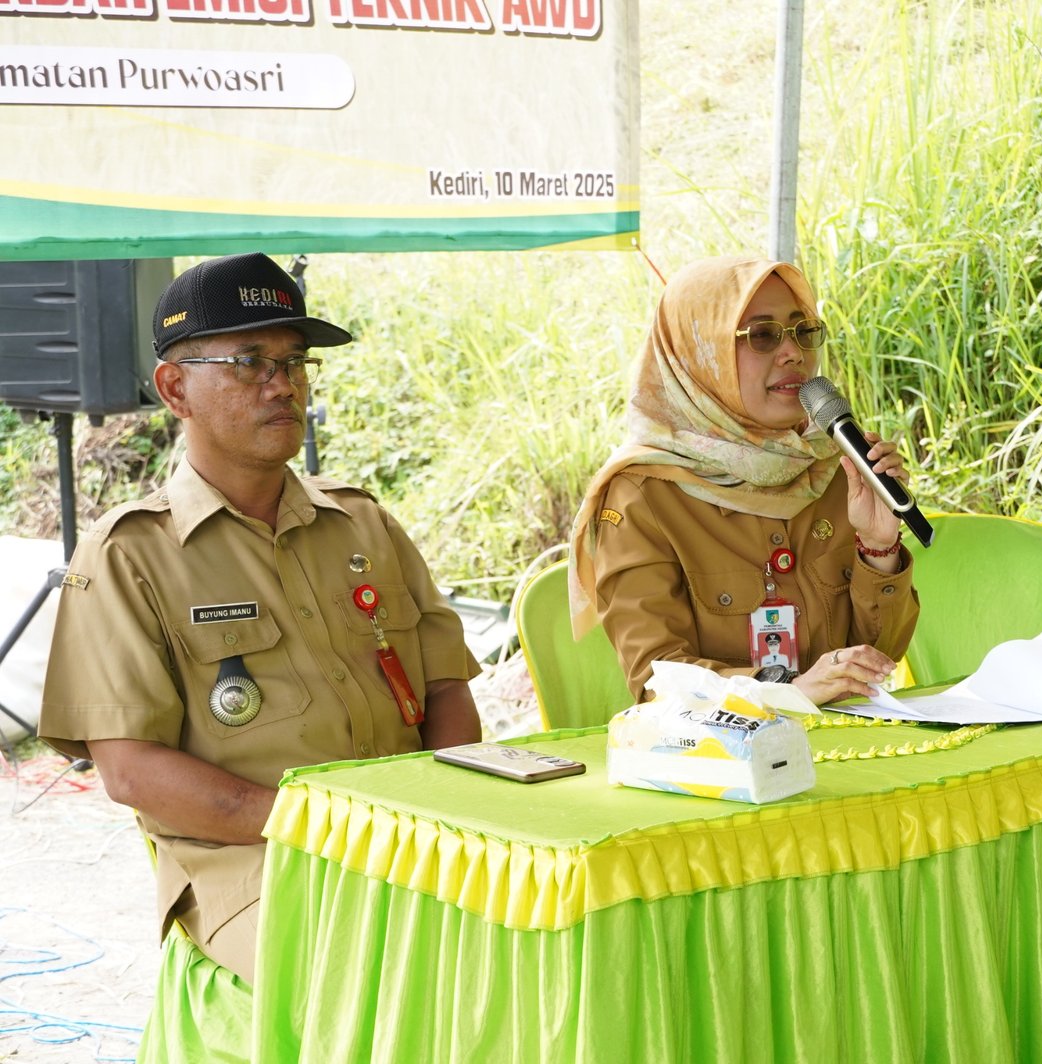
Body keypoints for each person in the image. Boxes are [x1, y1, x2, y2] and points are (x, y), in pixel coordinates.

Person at [37, 253, 483, 983]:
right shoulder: (130, 556)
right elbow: (130, 770)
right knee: (373, 973)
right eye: (249, 361)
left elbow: (444, 692)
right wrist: (328, 831)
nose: (284, 384)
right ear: (176, 389)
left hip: (413, 843)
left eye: (294, 361)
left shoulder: (364, 526)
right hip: (255, 867)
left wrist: (443, 814)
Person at [569, 255, 919, 704]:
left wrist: (879, 547)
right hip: (723, 761)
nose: (793, 352)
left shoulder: (834, 466)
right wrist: (786, 691)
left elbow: (879, 658)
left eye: (802, 331)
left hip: (845, 744)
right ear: (700, 354)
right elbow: (656, 681)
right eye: (762, 335)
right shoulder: (642, 494)